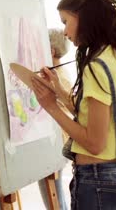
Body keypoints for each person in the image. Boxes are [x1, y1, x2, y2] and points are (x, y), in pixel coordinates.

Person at [30, 0, 116, 209]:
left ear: (83, 17)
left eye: (66, 21)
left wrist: (51, 107)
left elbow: (94, 143)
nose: (64, 31)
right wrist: (59, 91)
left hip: (99, 183)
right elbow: (96, 115)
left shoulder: (96, 66)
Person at [37, 28, 72, 210]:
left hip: (57, 143)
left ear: (50, 51)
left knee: (53, 196)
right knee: (54, 193)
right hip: (57, 142)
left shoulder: (58, 78)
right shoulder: (58, 74)